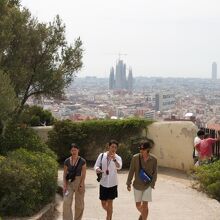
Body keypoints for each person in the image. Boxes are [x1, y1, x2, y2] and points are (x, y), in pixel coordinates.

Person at [126, 141, 157, 220]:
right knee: (138, 205)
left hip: (148, 185)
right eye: (140, 149)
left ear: (148, 149)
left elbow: (155, 173)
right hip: (137, 185)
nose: (141, 151)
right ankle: (143, 215)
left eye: (143, 149)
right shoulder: (135, 158)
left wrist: (152, 184)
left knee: (145, 205)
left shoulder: (154, 159)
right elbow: (131, 170)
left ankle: (143, 218)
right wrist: (128, 183)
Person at [94, 140, 122, 220]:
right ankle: (110, 212)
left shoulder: (118, 157)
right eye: (112, 147)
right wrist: (98, 169)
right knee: (103, 203)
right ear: (109, 146)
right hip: (103, 182)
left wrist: (114, 160)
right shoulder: (102, 155)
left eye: (115, 147)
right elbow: (96, 166)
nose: (113, 149)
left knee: (110, 202)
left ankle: (109, 218)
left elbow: (119, 167)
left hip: (113, 183)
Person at [63, 143, 86, 220]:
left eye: (75, 150)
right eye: (72, 150)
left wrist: (81, 184)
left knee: (79, 204)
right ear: (70, 151)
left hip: (79, 182)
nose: (74, 152)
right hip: (69, 183)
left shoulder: (82, 161)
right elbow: (65, 173)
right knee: (66, 202)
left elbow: (84, 173)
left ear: (78, 150)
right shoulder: (67, 161)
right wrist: (65, 185)